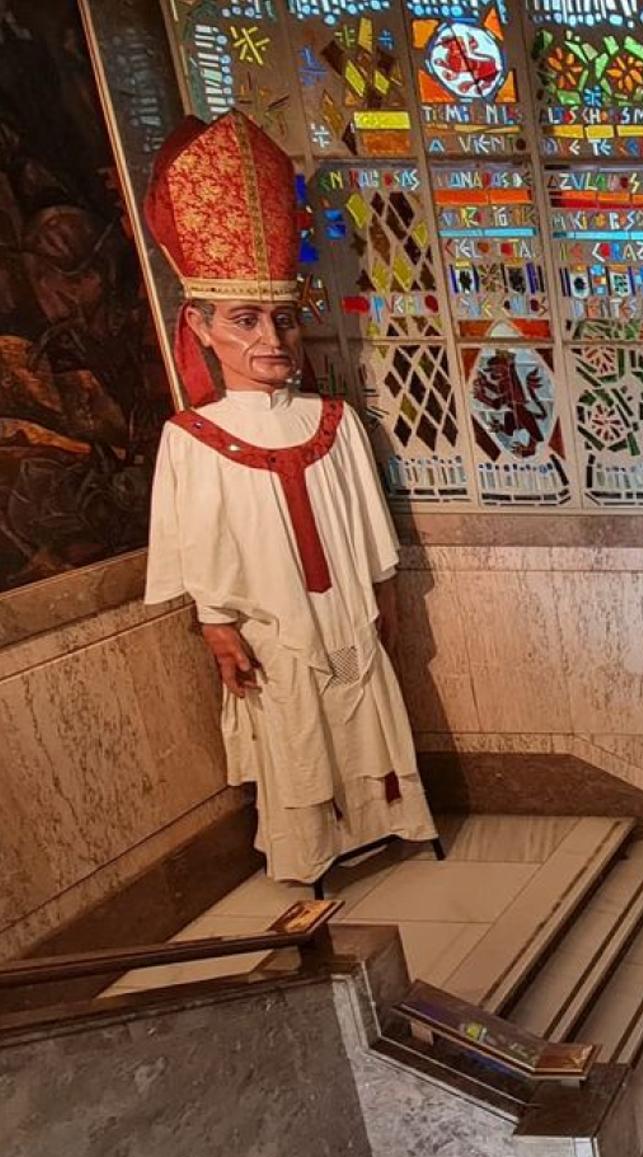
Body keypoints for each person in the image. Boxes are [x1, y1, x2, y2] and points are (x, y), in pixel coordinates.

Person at [141, 111, 438, 889]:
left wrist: (383, 591)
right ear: (200, 327)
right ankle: (310, 851)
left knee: (365, 711)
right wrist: (215, 625)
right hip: (270, 622)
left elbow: (369, 521)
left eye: (282, 317)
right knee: (294, 730)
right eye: (245, 319)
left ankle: (392, 822)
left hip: (344, 611)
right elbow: (197, 540)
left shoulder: (332, 422)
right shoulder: (193, 437)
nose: (271, 337)